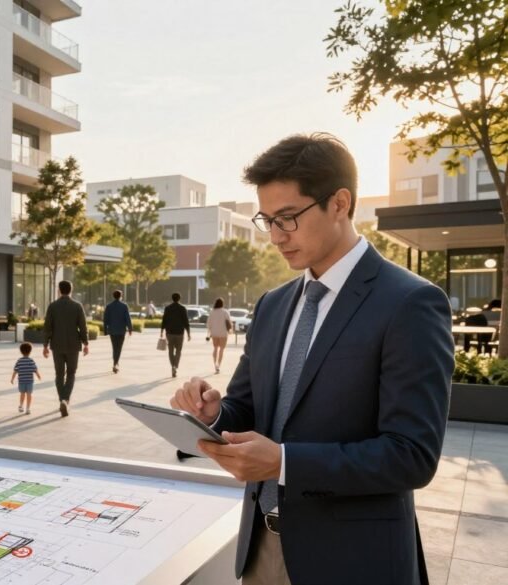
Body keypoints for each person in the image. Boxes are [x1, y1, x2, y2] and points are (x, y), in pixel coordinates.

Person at [169, 133, 453, 585]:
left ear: (339, 203)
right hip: (261, 548)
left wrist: (284, 463)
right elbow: (247, 406)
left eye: (288, 218)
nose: (276, 237)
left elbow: (412, 455)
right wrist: (212, 412)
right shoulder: (273, 304)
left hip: (354, 562)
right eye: (267, 220)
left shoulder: (410, 304)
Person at [43, 280, 89, 417]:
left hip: (56, 345)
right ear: (71, 290)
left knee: (59, 374)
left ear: (59, 290)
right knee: (71, 373)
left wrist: (45, 345)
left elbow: (47, 327)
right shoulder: (77, 306)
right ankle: (65, 399)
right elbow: (83, 326)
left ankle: (62, 399)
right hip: (73, 346)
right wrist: (86, 343)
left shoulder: (53, 306)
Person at [160, 293, 191, 378]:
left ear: (172, 298)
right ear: (179, 298)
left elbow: (164, 320)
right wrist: (188, 333)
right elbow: (186, 322)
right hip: (179, 333)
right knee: (178, 351)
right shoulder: (182, 308)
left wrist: (162, 331)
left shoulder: (168, 308)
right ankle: (175, 366)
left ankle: (172, 366)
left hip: (169, 333)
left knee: (170, 350)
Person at [103, 290, 133, 374]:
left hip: (112, 330)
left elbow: (105, 319)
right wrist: (130, 329)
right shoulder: (124, 306)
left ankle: (115, 363)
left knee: (114, 347)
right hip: (121, 330)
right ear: (121, 296)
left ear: (113, 296)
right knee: (119, 348)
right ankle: (116, 363)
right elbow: (128, 318)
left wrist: (105, 330)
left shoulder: (109, 306)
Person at [11, 342, 41, 414]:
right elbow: (35, 369)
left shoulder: (19, 361)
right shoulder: (31, 361)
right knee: (29, 394)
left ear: (21, 351)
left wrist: (12, 378)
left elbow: (15, 370)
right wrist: (38, 376)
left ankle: (21, 405)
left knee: (22, 394)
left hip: (21, 381)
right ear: (30, 351)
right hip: (29, 382)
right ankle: (28, 408)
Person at [205, 298, 232, 375]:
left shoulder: (212, 312)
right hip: (223, 333)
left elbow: (208, 324)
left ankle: (215, 364)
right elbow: (229, 322)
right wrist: (230, 330)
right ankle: (218, 365)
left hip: (214, 333)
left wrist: (209, 332)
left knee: (215, 348)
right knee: (222, 349)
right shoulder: (225, 312)